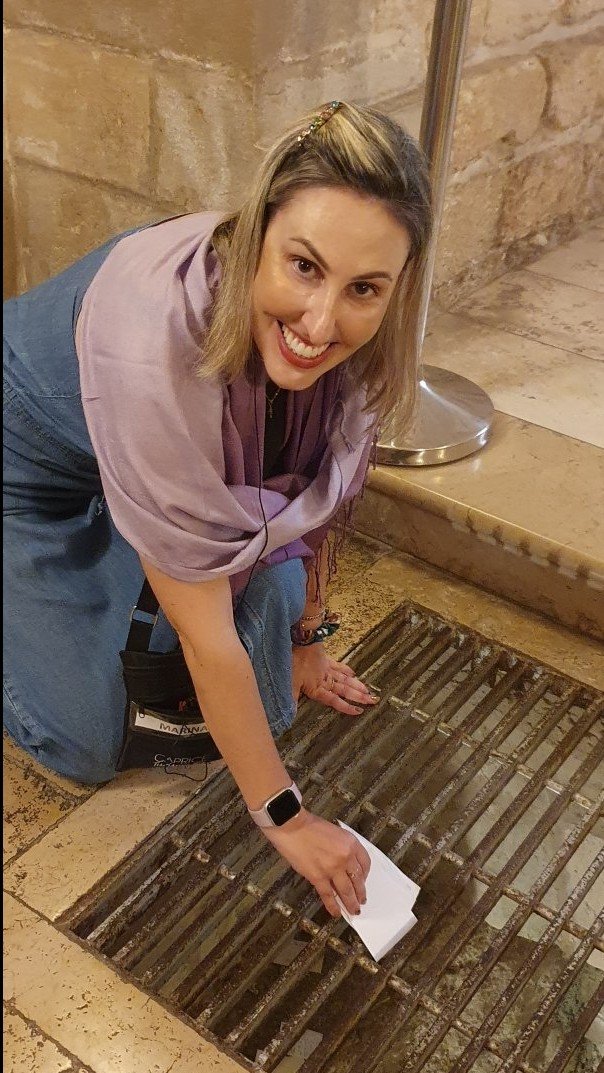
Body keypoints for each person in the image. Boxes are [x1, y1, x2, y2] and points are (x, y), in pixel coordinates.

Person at [3, 100, 432, 919]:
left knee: (271, 671)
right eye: (303, 266)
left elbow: (315, 491)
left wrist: (306, 640)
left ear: (395, 287)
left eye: (363, 288)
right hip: (17, 469)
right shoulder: (156, 345)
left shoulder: (362, 343)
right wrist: (285, 817)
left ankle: (118, 554)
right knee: (85, 733)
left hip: (112, 459)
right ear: (255, 230)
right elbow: (208, 640)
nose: (321, 323)